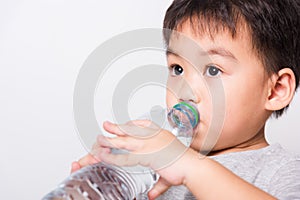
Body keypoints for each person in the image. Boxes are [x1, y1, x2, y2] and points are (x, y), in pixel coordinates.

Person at [71, 0, 300, 199]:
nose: (185, 91)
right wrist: (103, 184)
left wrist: (191, 168)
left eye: (212, 70)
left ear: (275, 90)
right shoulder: (155, 168)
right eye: (178, 69)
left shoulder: (282, 172)